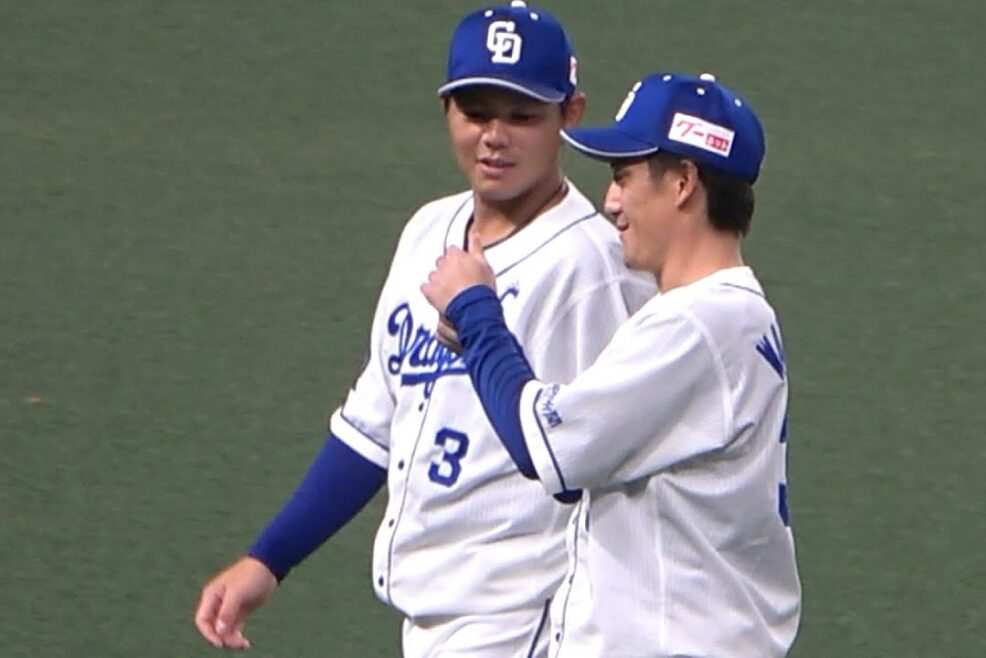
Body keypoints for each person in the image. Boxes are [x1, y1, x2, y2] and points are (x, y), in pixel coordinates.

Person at [193, 3, 652, 656]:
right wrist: (270, 558)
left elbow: (595, 460)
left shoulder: (591, 270)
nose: (495, 136)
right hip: (441, 618)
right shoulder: (428, 231)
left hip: (528, 616)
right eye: (476, 112)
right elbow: (372, 426)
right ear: (446, 110)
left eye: (522, 115)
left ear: (569, 115)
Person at [421, 71, 802, 656]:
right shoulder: (728, 315)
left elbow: (546, 446)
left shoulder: (698, 323)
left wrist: (476, 312)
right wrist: (479, 337)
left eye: (624, 176)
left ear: (683, 182)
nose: (611, 202)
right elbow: (578, 459)